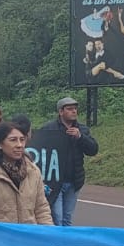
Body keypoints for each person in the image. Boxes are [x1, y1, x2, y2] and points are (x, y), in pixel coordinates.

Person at [0, 122, 53, 224]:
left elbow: (42, 210)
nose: (19, 145)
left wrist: (48, 235)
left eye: (22, 140)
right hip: (0, 238)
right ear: (0, 144)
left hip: (30, 237)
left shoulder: (33, 171)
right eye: (13, 140)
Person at [37, 97, 98, 226]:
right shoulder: (49, 129)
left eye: (75, 109)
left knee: (67, 218)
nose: (74, 112)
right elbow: (40, 152)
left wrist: (80, 137)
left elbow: (93, 150)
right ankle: (56, 243)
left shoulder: (82, 129)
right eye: (69, 109)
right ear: (61, 111)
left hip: (74, 180)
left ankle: (65, 245)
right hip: (55, 181)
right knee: (57, 216)